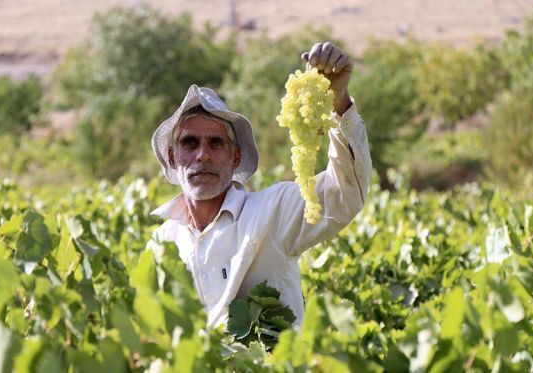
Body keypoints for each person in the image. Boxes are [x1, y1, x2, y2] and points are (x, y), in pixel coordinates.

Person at [149, 42, 372, 329]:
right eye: (189, 143)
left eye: (216, 143)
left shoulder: (274, 210)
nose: (202, 154)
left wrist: (338, 100)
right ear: (172, 156)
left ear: (235, 156)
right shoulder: (163, 242)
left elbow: (345, 192)